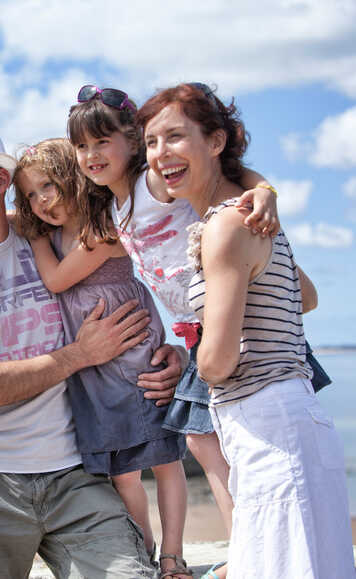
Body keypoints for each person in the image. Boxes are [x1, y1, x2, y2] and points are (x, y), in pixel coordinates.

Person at [0, 123, 185, 578]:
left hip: (79, 471)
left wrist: (170, 354)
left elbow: (126, 282)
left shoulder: (53, 239)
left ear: (0, 181)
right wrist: (80, 354)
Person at [138, 83, 355, 578]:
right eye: (151, 142)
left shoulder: (227, 225)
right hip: (284, 421)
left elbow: (216, 362)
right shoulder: (248, 218)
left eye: (175, 136)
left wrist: (182, 363)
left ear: (215, 142)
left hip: (269, 425)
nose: (159, 154)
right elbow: (308, 296)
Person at [67, 84, 283, 579]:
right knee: (208, 444)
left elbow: (233, 172)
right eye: (82, 147)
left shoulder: (153, 186)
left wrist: (265, 191)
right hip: (195, 335)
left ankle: (249, 555)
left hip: (231, 319)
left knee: (223, 444)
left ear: (132, 142)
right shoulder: (115, 211)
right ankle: (245, 551)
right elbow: (46, 209)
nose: (92, 155)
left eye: (103, 142)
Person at [13, 137, 188, 578]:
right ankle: (142, 545)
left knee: (165, 460)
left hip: (132, 356)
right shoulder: (51, 231)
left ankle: (172, 554)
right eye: (30, 195)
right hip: (93, 370)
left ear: (73, 178)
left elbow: (55, 280)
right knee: (122, 472)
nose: (40, 202)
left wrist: (34, 236)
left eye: (48, 187)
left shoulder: (104, 230)